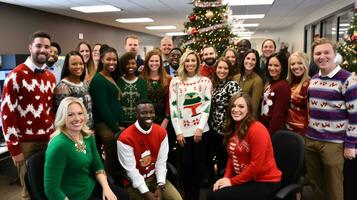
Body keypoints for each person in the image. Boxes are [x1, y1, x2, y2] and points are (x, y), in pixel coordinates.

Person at [1, 31, 56, 199]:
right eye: (38, 45)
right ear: (30, 47)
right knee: (29, 190)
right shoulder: (16, 75)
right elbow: (6, 113)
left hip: (48, 140)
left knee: (48, 185)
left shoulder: (50, 77)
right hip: (25, 143)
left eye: (46, 47)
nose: (43, 50)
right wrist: (14, 148)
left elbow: (51, 110)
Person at [44, 97, 129, 200]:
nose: (77, 118)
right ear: (63, 117)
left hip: (89, 186)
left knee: (124, 196)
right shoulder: (58, 145)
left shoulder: (87, 135)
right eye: (70, 115)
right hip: (72, 196)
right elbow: (51, 189)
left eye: (80, 113)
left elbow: (98, 167)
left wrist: (106, 188)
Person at [304, 38, 357, 200]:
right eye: (318, 53)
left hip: (334, 144)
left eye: (326, 52)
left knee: (334, 188)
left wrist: (351, 145)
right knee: (316, 184)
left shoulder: (348, 79)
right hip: (312, 140)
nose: (322, 56)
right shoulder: (313, 80)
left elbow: (355, 116)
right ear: (313, 56)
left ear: (335, 54)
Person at [207, 92, 281, 200]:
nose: (236, 109)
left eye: (241, 106)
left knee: (216, 197)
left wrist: (231, 181)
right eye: (233, 106)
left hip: (264, 181)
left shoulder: (257, 130)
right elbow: (231, 157)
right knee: (214, 192)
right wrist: (226, 177)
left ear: (248, 110)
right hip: (246, 178)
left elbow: (256, 165)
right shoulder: (235, 126)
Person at [117, 99, 182, 200]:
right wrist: (147, 193)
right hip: (134, 182)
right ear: (136, 114)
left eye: (151, 112)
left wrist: (160, 186)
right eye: (144, 113)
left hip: (155, 178)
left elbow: (161, 162)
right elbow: (131, 171)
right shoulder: (125, 138)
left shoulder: (161, 132)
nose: (149, 116)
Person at [169, 50, 212, 200]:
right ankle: (188, 195)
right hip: (183, 133)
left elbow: (207, 105)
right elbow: (173, 107)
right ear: (183, 63)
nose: (190, 64)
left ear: (197, 62)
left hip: (201, 131)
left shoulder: (205, 81)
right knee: (186, 166)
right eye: (187, 61)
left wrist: (199, 128)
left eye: (193, 60)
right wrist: (178, 132)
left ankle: (196, 196)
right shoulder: (175, 81)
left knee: (198, 167)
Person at [89, 46, 124, 181]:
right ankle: (109, 182)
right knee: (112, 153)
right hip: (103, 124)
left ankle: (117, 181)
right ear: (102, 59)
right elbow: (103, 107)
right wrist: (116, 129)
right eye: (108, 59)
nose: (112, 62)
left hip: (113, 123)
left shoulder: (110, 76)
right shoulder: (98, 79)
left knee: (118, 154)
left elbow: (114, 103)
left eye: (114, 59)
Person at [208, 57, 241, 181]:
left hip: (227, 131)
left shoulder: (232, 85)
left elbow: (238, 109)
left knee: (226, 163)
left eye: (225, 68)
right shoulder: (215, 84)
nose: (222, 70)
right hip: (215, 130)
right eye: (220, 68)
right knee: (218, 160)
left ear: (230, 70)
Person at [53, 51, 93, 129]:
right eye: (74, 64)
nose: (78, 66)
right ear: (67, 66)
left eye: (81, 64)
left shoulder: (84, 84)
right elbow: (64, 116)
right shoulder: (62, 87)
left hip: (89, 130)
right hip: (74, 132)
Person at [260, 52, 290, 135]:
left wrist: (270, 134)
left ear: (282, 67)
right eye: (270, 65)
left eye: (276, 65)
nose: (272, 68)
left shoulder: (283, 86)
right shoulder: (271, 83)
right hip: (265, 127)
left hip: (273, 132)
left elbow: (278, 116)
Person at [141, 50, 171, 128]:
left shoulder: (168, 79)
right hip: (146, 118)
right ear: (147, 62)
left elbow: (169, 101)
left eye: (157, 61)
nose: (154, 63)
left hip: (164, 120)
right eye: (151, 61)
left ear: (160, 62)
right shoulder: (141, 79)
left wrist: (166, 119)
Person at [117, 52, 148, 127]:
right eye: (127, 63)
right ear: (123, 65)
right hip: (121, 123)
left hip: (138, 122)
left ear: (136, 65)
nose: (130, 66)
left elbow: (143, 103)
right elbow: (117, 103)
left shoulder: (142, 82)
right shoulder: (118, 82)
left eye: (133, 63)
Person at [286, 51, 310, 135]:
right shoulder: (288, 83)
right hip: (287, 129)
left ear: (306, 64)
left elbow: (310, 113)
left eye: (300, 63)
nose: (296, 66)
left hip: (302, 132)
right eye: (292, 64)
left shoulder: (309, 84)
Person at [234, 49, 264, 116]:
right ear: (244, 59)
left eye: (253, 60)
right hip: (234, 114)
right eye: (248, 58)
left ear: (256, 62)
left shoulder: (258, 81)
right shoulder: (236, 77)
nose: (250, 61)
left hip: (247, 117)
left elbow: (254, 108)